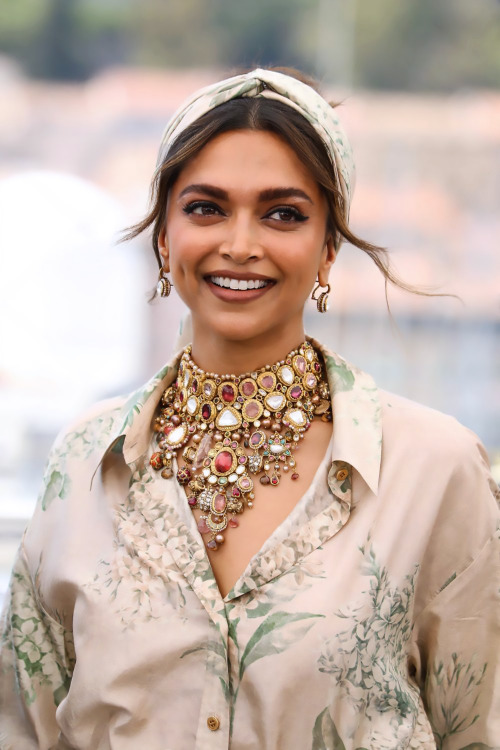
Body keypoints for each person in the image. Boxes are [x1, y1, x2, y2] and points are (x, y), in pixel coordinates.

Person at [0, 67, 498, 750]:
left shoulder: (434, 470)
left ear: (328, 247)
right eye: (205, 207)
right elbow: (24, 728)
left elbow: (477, 730)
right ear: (164, 237)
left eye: (282, 214)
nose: (240, 243)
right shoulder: (85, 463)